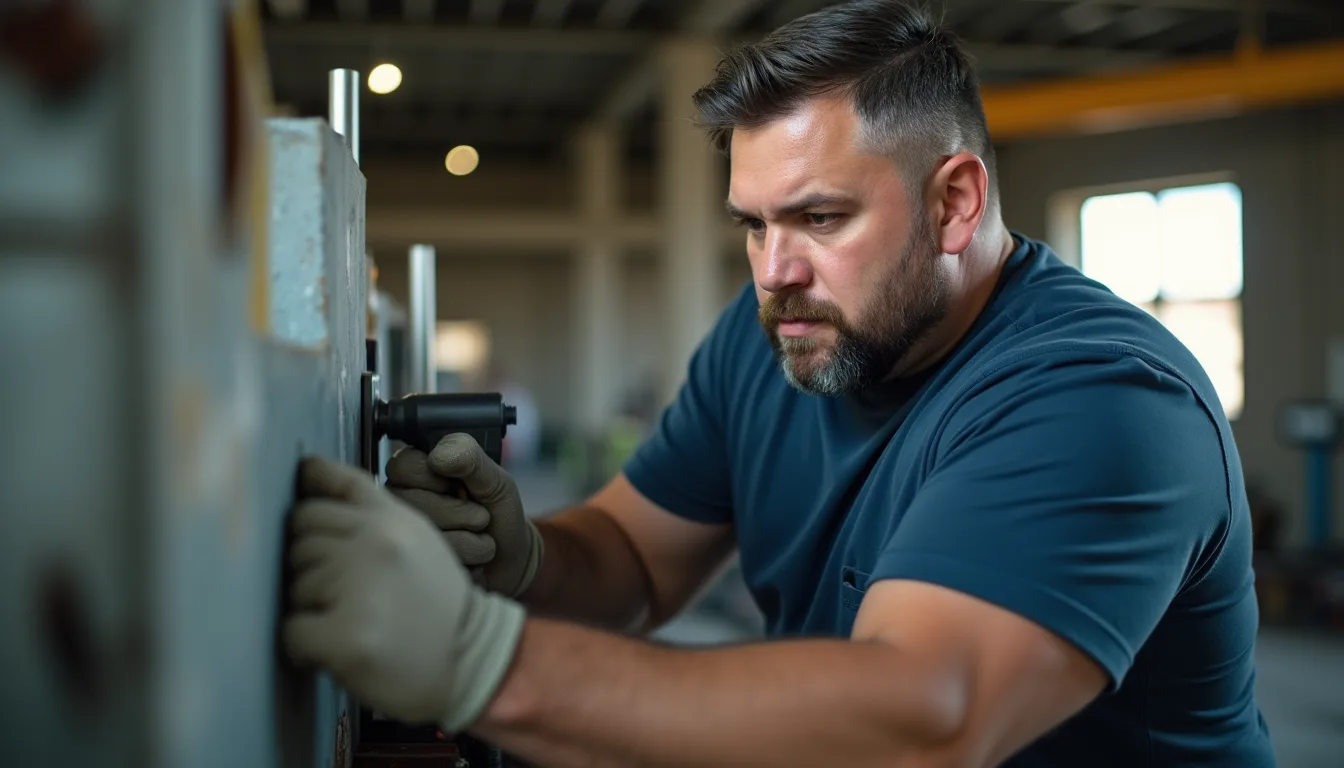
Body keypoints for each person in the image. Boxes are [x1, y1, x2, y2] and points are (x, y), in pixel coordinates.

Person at [280, 2, 1276, 765]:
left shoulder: (1100, 398)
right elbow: (634, 555)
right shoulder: (774, 338)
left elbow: (924, 723)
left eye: (821, 218)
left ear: (956, 201)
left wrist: (477, 659)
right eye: (753, 223)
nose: (773, 270)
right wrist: (525, 558)